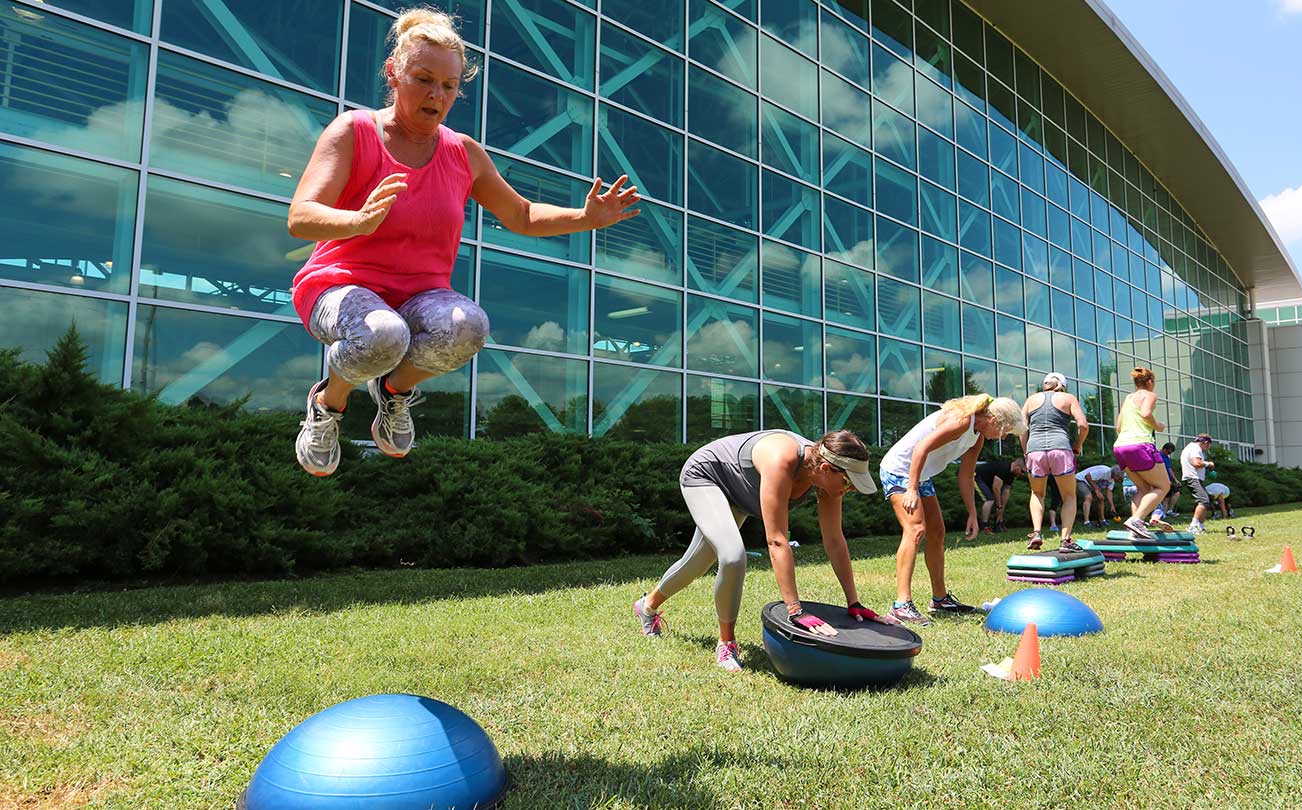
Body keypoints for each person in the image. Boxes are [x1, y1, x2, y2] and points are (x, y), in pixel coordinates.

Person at [288, 9, 640, 476]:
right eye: (423, 79)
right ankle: (327, 405)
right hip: (338, 288)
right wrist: (358, 220)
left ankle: (392, 394)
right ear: (394, 73)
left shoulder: (463, 153)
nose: (437, 95)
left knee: (468, 326)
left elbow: (523, 215)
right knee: (384, 334)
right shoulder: (353, 132)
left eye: (449, 86)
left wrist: (585, 217)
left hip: (418, 295)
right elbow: (300, 217)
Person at [633, 430, 895, 672]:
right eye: (848, 482)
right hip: (708, 476)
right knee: (733, 556)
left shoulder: (827, 479)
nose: (850, 489)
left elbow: (835, 540)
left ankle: (647, 607)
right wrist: (796, 610)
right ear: (826, 468)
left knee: (698, 562)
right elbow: (777, 541)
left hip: (739, 493)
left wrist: (854, 603)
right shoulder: (782, 459)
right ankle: (727, 644)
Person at [880, 394, 1024, 625]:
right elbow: (921, 448)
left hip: (921, 474)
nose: (1003, 436)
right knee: (916, 529)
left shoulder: (976, 436)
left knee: (937, 532)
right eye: (1004, 430)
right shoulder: (960, 421)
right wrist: (911, 489)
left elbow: (966, 475)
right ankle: (900, 605)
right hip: (899, 470)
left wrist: (973, 514)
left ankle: (940, 600)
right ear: (994, 420)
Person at [1019, 372, 1089, 551]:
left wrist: (1026, 451)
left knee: (1037, 493)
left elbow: (1021, 429)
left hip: (1035, 450)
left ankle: (1036, 533)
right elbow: (1083, 425)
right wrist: (1078, 444)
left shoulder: (1031, 399)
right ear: (1063, 385)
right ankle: (1065, 540)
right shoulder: (1068, 398)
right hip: (1060, 449)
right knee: (1069, 496)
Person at [1111, 367, 1172, 539]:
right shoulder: (1149, 395)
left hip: (1121, 447)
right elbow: (1146, 413)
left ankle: (1134, 530)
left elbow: (1118, 427)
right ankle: (1136, 520)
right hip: (1140, 445)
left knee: (1144, 488)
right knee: (1163, 486)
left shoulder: (1129, 398)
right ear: (1150, 381)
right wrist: (1157, 425)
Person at [1178, 434, 1216, 533]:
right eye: (1208, 446)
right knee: (1204, 501)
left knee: (1204, 501)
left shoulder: (1190, 447)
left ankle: (1201, 526)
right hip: (1193, 478)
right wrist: (1209, 464)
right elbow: (1196, 463)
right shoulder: (1196, 448)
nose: (1207, 449)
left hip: (1194, 477)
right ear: (1206, 443)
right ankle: (1193, 526)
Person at [975, 458, 1023, 533]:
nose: (1022, 474)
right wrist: (998, 506)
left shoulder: (1011, 475)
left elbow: (1005, 492)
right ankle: (984, 526)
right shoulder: (1004, 468)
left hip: (986, 482)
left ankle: (998, 523)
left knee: (995, 502)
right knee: (989, 500)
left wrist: (1001, 509)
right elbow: (996, 487)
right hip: (976, 477)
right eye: (1022, 471)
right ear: (1017, 466)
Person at [1159, 442, 1182, 518]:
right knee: (1165, 497)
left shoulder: (1166, 457)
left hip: (1168, 479)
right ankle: (1164, 512)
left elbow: (1169, 469)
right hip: (1162, 479)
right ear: (1164, 449)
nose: (1169, 454)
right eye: (1168, 452)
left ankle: (1166, 512)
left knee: (1168, 496)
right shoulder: (1159, 456)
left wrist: (1175, 480)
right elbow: (1161, 469)